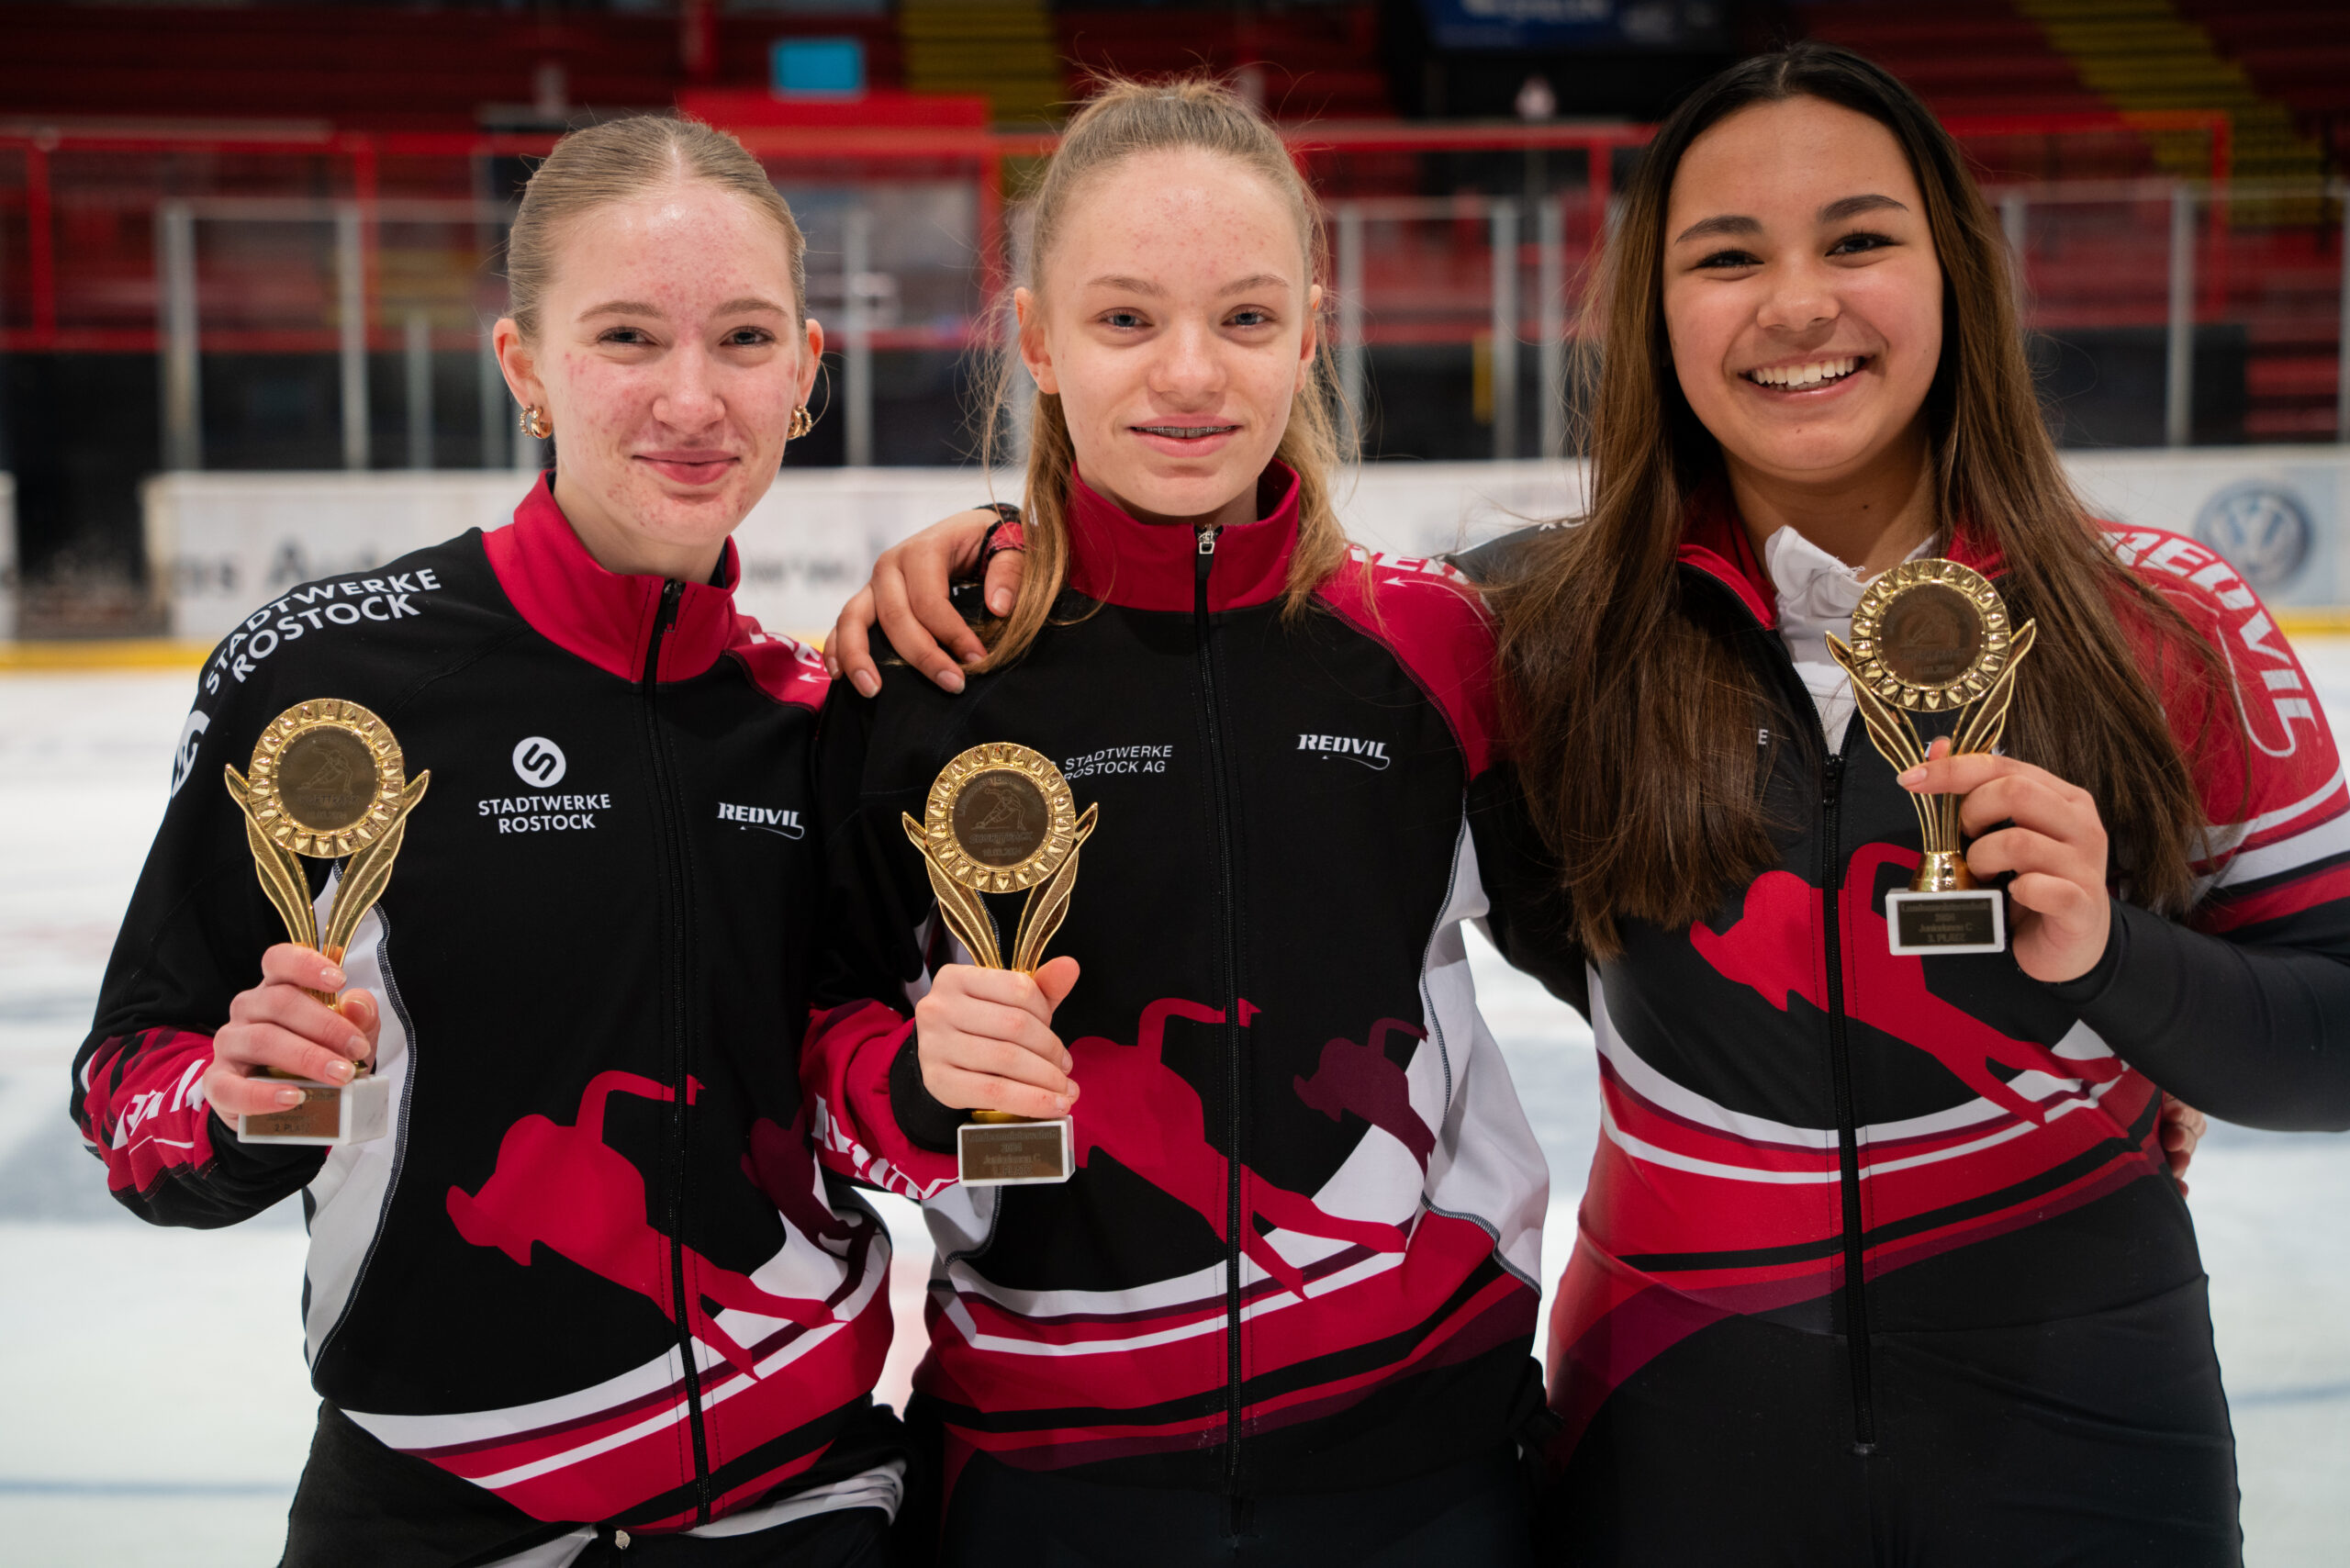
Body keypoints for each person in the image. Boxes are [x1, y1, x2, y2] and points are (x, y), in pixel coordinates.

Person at [832, 45, 2343, 1567]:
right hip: (1671, 1440)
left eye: (1858, 239)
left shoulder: (2164, 622)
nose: (1797, 303)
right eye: (1727, 256)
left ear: (1957, 264)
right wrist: (999, 547)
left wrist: (2128, 977)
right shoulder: (1544, 632)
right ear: (1656, 310)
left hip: (2076, 1441)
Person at [73, 116, 903, 1567]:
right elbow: (126, 1087)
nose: (693, 398)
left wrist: (949, 1093)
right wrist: (233, 1099)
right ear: (524, 366)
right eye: (627, 337)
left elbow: (862, 1099)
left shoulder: (818, 720)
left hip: (804, 1502)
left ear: (805, 372)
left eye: (745, 339)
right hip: (433, 1515)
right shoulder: (324, 682)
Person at [800, 77, 1550, 1565]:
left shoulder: (1435, 651)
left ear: (1313, 329)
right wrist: (921, 1091)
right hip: (1048, 1479)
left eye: (1247, 317)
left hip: (1423, 1466)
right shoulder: (929, 672)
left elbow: (1641, 962)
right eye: (1127, 319)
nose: (1190, 374)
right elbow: (814, 1056)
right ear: (1037, 339)